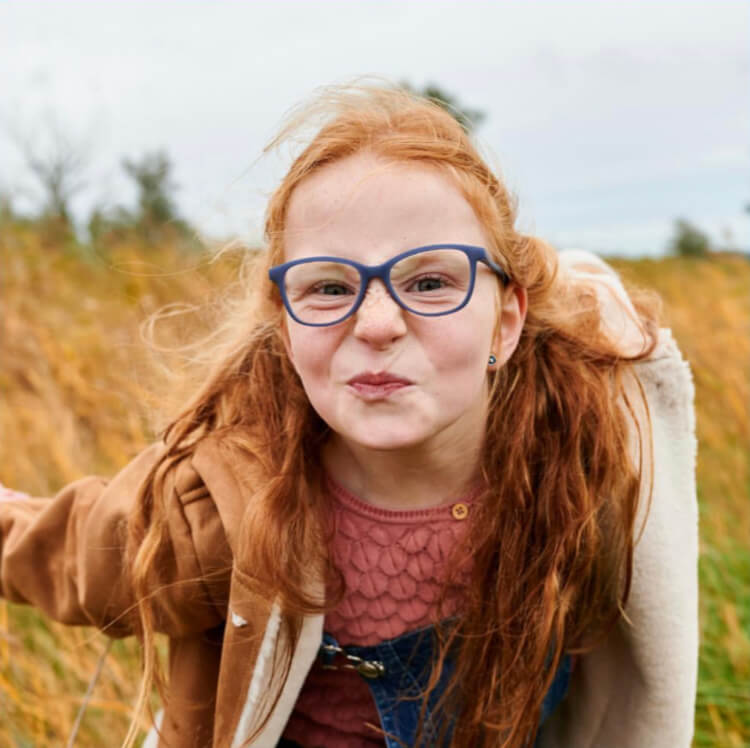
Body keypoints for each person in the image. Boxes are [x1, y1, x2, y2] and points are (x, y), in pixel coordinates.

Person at [0, 84, 698, 748]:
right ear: (284, 325)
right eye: (330, 286)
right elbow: (76, 554)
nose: (377, 323)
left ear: (507, 321)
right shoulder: (231, 504)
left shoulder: (581, 467)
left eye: (430, 281)